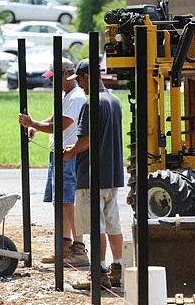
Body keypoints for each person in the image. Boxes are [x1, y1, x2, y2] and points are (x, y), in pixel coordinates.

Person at [18, 57, 89, 267]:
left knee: (68, 203)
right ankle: (65, 247)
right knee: (60, 202)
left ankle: (79, 248)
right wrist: (36, 125)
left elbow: (62, 125)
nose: (50, 82)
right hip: (58, 155)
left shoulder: (76, 98)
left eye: (53, 78)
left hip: (68, 156)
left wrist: (34, 124)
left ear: (66, 74)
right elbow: (53, 119)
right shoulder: (65, 95)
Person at [63, 58, 124, 289]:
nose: (78, 84)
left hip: (91, 176)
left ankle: (99, 274)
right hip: (111, 175)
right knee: (113, 225)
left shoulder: (91, 104)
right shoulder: (115, 101)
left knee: (95, 226)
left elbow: (85, 141)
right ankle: (118, 269)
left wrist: (69, 152)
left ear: (87, 77)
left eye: (78, 79)